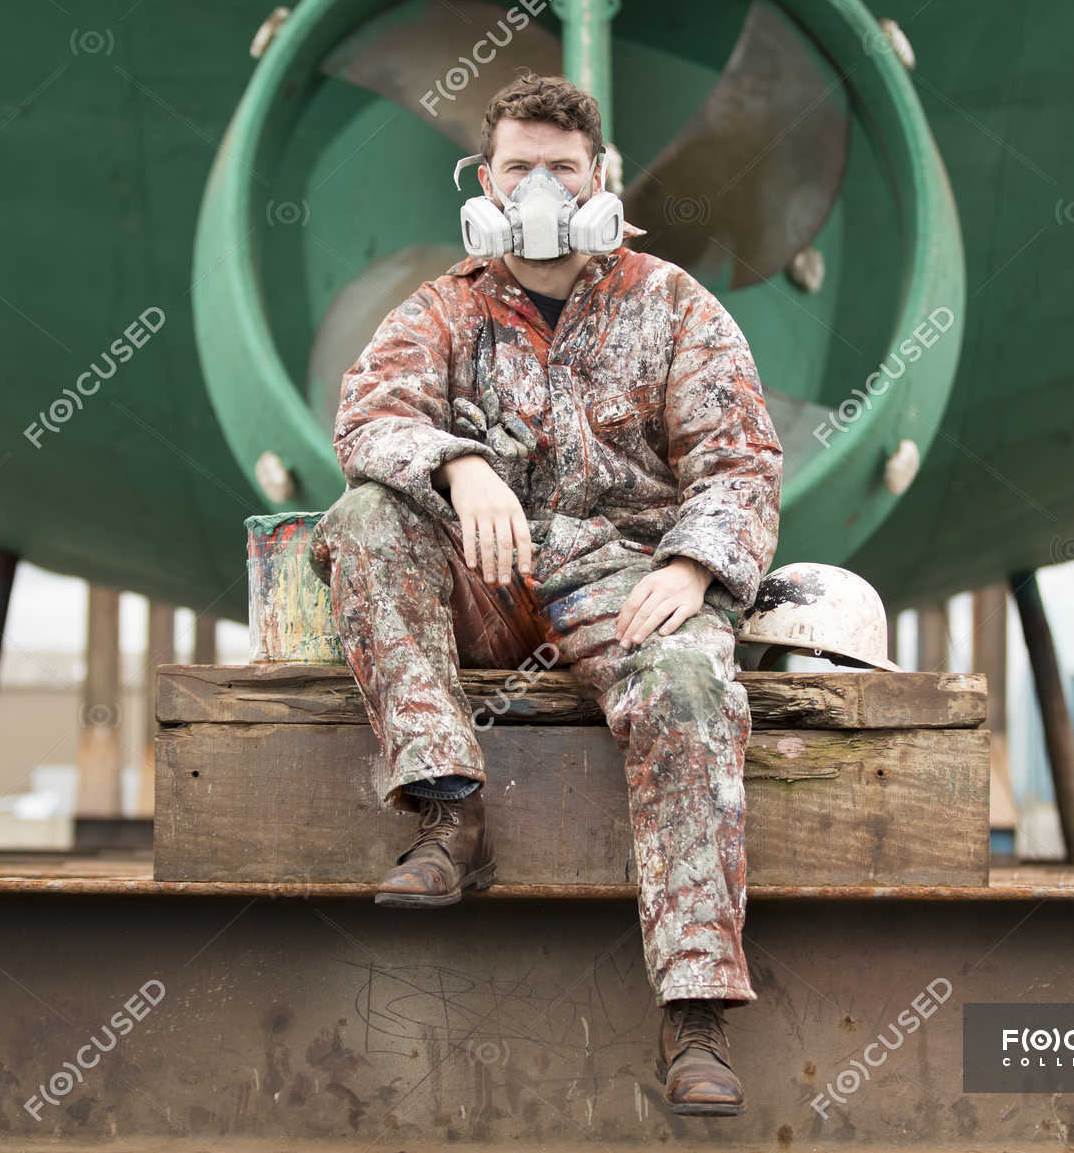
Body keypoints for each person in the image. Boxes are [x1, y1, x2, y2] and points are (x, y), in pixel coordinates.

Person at [306, 68, 783, 1117]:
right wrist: (457, 462)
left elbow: (741, 464)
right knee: (363, 520)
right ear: (484, 180)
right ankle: (448, 815)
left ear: (601, 180)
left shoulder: (671, 307)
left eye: (562, 171)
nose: (539, 191)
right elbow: (366, 423)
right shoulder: (441, 311)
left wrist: (693, 567)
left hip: (626, 582)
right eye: (519, 169)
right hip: (491, 585)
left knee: (694, 691)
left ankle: (694, 1015)